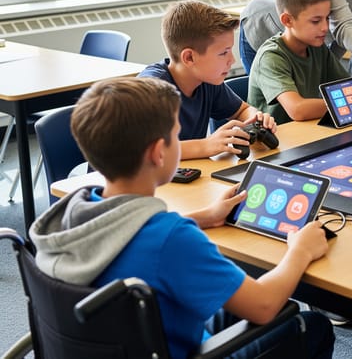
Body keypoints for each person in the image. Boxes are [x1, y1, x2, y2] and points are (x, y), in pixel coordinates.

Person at [29, 77, 334, 359]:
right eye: (177, 136)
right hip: (175, 348)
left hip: (122, 341)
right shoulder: (173, 239)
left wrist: (204, 216)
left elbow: (126, 231)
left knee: (237, 291)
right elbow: (264, 307)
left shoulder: (72, 212)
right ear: (158, 153)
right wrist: (300, 251)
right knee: (312, 324)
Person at [138, 0, 277, 160]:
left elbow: (241, 111)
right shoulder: (151, 90)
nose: (232, 60)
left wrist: (256, 118)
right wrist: (206, 145)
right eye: (223, 53)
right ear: (189, 57)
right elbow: (146, 150)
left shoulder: (206, 79)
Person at [248, 0, 352, 124]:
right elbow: (297, 110)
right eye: (316, 21)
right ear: (287, 20)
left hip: (308, 134)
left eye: (327, 18)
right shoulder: (271, 58)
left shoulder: (316, 47)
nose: (325, 28)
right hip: (278, 142)